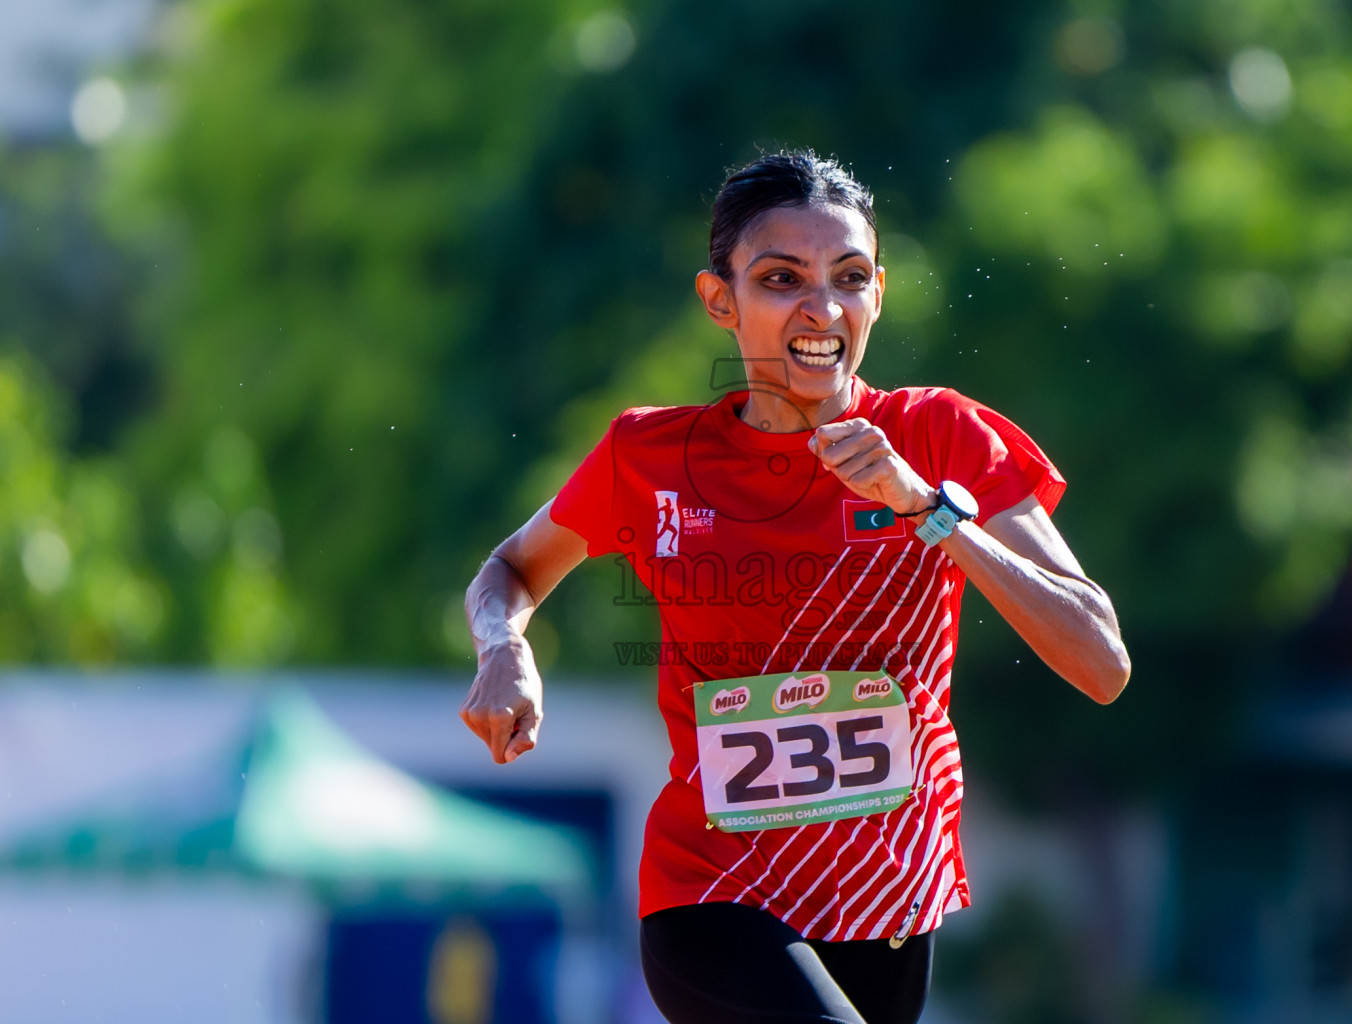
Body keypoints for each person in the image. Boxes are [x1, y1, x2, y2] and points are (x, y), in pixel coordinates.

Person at [460, 150, 1131, 1024]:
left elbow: (1102, 661)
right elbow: (508, 569)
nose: (822, 309)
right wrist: (503, 648)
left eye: (848, 278)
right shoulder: (649, 455)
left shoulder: (939, 437)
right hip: (714, 894)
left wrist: (928, 510)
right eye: (782, 279)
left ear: (878, 294)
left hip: (887, 902)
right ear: (720, 301)